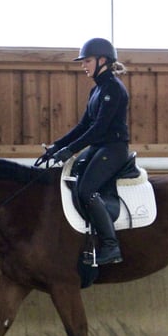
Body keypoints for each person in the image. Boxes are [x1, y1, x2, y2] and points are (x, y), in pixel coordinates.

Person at [37, 37, 130, 265]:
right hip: (99, 147)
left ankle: (111, 245)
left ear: (102, 60)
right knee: (72, 180)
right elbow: (83, 126)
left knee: (87, 190)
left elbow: (98, 129)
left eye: (87, 61)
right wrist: (56, 147)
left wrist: (69, 151)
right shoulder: (96, 91)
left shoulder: (113, 90)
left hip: (114, 148)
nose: (83, 65)